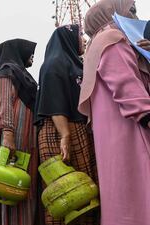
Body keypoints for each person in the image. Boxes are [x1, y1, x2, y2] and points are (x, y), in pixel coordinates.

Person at [78, 1, 150, 224]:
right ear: (113, 12)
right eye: (130, 10)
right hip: (131, 128)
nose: (134, 16)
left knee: (122, 192)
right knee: (138, 188)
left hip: (112, 133)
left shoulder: (96, 44)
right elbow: (126, 87)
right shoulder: (112, 39)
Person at [34, 24, 99, 225]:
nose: (84, 39)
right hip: (60, 132)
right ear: (68, 38)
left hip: (74, 130)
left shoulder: (73, 62)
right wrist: (65, 135)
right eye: (80, 35)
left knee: (83, 191)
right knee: (66, 192)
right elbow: (55, 103)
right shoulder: (54, 64)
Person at [0, 39, 40, 225]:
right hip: (14, 138)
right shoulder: (6, 72)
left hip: (26, 138)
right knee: (8, 184)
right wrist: (8, 136)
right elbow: (4, 104)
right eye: (29, 53)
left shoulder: (22, 74)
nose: (32, 57)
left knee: (22, 184)